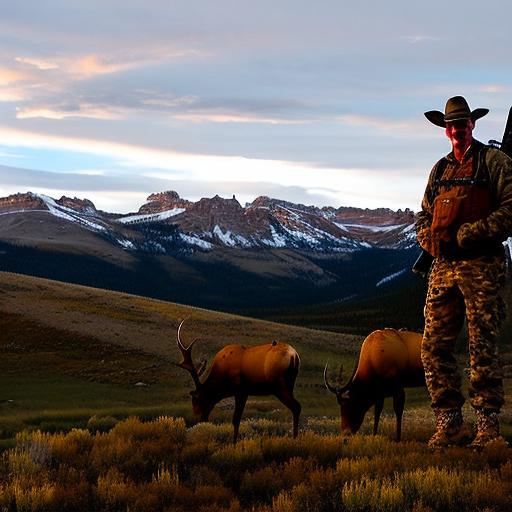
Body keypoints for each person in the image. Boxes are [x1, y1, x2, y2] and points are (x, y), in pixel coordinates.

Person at [416, 96, 512, 449]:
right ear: (445, 130)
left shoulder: (495, 162)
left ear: (473, 124)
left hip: (482, 267)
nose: (457, 129)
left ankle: (488, 428)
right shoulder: (439, 171)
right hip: (443, 269)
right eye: (452, 125)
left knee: (482, 346)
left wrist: (468, 235)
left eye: (463, 123)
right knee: (433, 348)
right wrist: (430, 240)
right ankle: (449, 423)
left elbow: (510, 209)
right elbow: (423, 215)